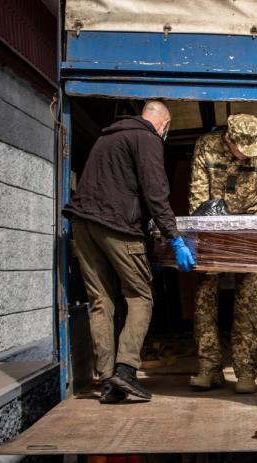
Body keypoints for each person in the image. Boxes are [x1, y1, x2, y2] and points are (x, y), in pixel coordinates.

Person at [62, 101, 195, 404]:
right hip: (117, 226)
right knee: (140, 297)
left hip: (83, 225)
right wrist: (174, 238)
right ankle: (126, 370)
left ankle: (108, 380)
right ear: (165, 124)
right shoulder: (147, 138)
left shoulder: (107, 137)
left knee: (101, 301)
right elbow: (156, 191)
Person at [188, 113, 257, 394]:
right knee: (204, 298)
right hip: (212, 231)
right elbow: (197, 200)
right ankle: (209, 368)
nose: (248, 156)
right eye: (242, 150)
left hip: (250, 234)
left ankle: (245, 371)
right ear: (229, 139)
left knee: (248, 301)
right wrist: (205, 235)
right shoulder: (206, 146)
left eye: (253, 150)